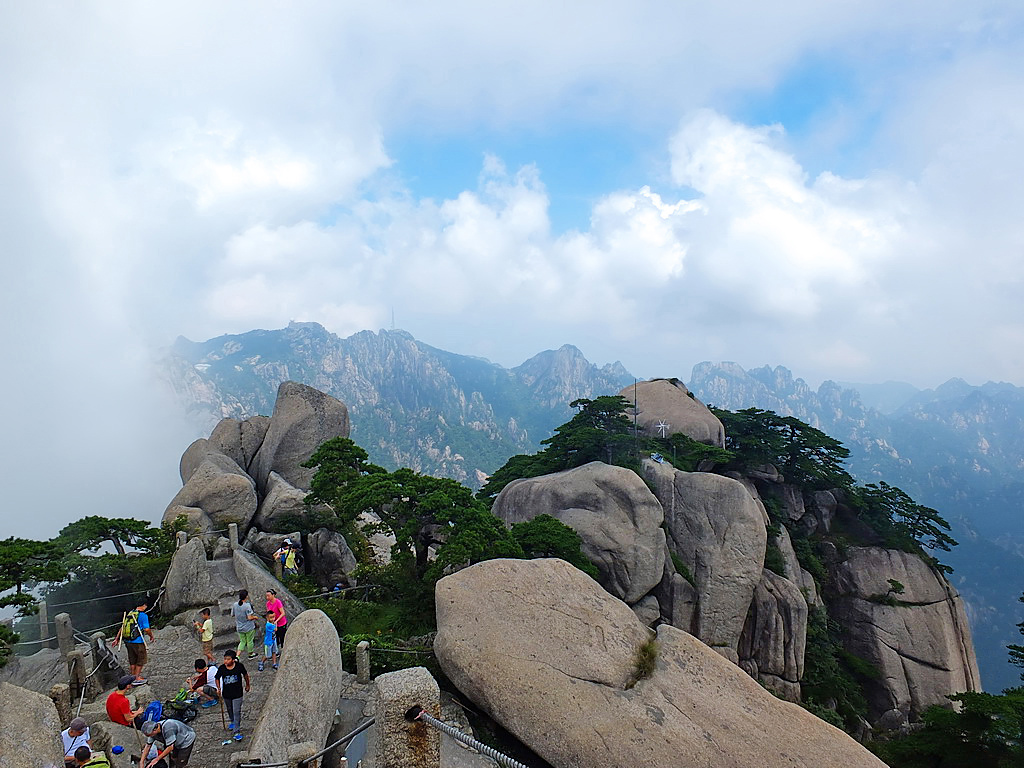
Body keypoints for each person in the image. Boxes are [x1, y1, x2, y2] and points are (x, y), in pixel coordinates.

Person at [114, 597, 155, 685]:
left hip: (128, 641)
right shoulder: (143, 615)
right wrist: (151, 636)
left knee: (132, 659)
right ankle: (136, 678)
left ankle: (132, 677)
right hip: (138, 641)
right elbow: (147, 629)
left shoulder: (130, 613)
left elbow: (123, 627)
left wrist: (117, 639)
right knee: (141, 659)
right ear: (144, 605)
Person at [215, 649, 250, 741]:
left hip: (237, 694)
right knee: (230, 710)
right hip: (226, 694)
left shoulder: (239, 667)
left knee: (236, 711)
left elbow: (245, 675)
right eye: (225, 659)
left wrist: (247, 685)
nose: (225, 661)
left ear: (233, 660)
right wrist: (218, 688)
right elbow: (217, 678)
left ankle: (237, 731)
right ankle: (233, 721)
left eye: (228, 659)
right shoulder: (222, 668)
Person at [231, 589, 258, 659]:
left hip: (239, 627)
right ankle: (251, 654)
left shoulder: (235, 605)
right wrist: (255, 617)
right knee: (249, 641)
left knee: (242, 642)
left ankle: (237, 656)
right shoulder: (247, 606)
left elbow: (232, 614)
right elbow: (249, 617)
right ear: (246, 597)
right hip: (249, 627)